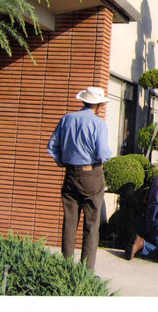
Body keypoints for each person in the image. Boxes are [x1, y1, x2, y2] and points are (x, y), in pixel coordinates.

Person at [47, 87, 113, 270]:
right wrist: (107, 156)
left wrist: (63, 162)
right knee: (91, 226)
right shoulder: (98, 123)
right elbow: (102, 153)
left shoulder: (67, 118)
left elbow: (52, 146)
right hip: (91, 174)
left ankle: (66, 268)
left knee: (69, 222)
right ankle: (85, 273)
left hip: (70, 174)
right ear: (99, 106)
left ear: (84, 101)